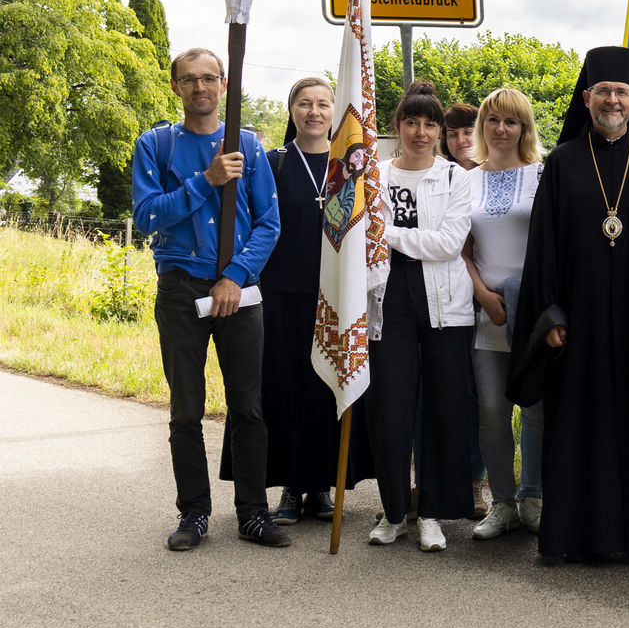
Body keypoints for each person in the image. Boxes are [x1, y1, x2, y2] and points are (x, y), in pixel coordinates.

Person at [510, 46, 629, 560]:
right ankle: (575, 536)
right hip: (578, 322)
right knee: (579, 421)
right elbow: (542, 248)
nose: (612, 100)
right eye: (602, 91)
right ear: (586, 99)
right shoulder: (560, 164)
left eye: (622, 93)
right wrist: (551, 316)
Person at [132, 47, 289, 550]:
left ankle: (252, 513)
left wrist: (236, 276)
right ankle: (194, 514)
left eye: (209, 79)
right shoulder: (155, 145)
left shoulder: (249, 146)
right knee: (186, 410)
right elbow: (148, 217)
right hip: (180, 289)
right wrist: (207, 181)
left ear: (224, 85)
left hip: (238, 291)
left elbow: (269, 223)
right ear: (175, 86)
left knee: (249, 407)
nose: (200, 88)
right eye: (189, 80)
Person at [366, 82, 477, 551]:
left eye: (430, 124)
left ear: (440, 130)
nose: (421, 132)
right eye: (411, 122)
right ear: (398, 126)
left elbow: (447, 244)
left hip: (443, 301)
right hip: (387, 296)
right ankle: (394, 511)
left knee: (442, 408)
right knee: (390, 406)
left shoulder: (456, 178)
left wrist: (383, 233)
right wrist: (375, 235)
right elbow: (353, 236)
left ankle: (430, 511)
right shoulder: (373, 175)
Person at [252, 76, 355, 525]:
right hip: (282, 298)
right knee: (288, 391)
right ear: (291, 110)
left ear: (335, 112)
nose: (314, 112)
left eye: (323, 104)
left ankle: (320, 486)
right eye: (305, 104)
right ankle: (292, 489)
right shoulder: (272, 163)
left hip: (333, 296)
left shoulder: (348, 166)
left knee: (324, 392)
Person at [464, 87, 546, 540]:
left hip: (531, 310)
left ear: (524, 129)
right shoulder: (465, 180)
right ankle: (501, 502)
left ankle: (533, 497)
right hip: (485, 311)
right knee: (493, 410)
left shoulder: (542, 177)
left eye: (510, 121)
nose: (500, 129)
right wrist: (482, 295)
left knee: (535, 406)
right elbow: (462, 250)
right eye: (492, 120)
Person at [443, 103, 479, 170]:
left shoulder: (499, 172)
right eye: (453, 135)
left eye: (468, 132)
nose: (461, 140)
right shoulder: (437, 175)